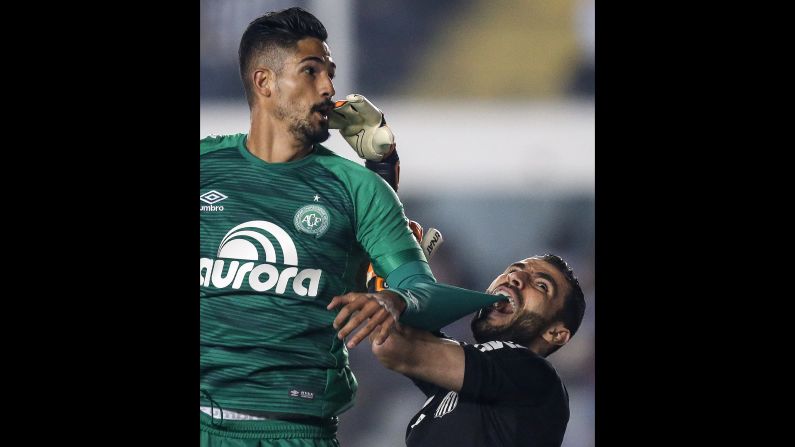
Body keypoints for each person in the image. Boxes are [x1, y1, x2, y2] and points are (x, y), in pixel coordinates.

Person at [200, 7, 506, 446]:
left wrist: (394, 300)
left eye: (330, 72)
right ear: (264, 82)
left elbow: (425, 291)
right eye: (311, 71)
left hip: (293, 431)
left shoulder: (359, 188)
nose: (329, 88)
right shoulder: (208, 165)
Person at [368, 254, 586, 447]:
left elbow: (393, 346)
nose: (515, 278)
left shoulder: (536, 377)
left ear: (556, 333)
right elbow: (392, 333)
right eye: (512, 271)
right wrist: (397, 268)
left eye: (541, 286)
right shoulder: (467, 380)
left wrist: (399, 283)